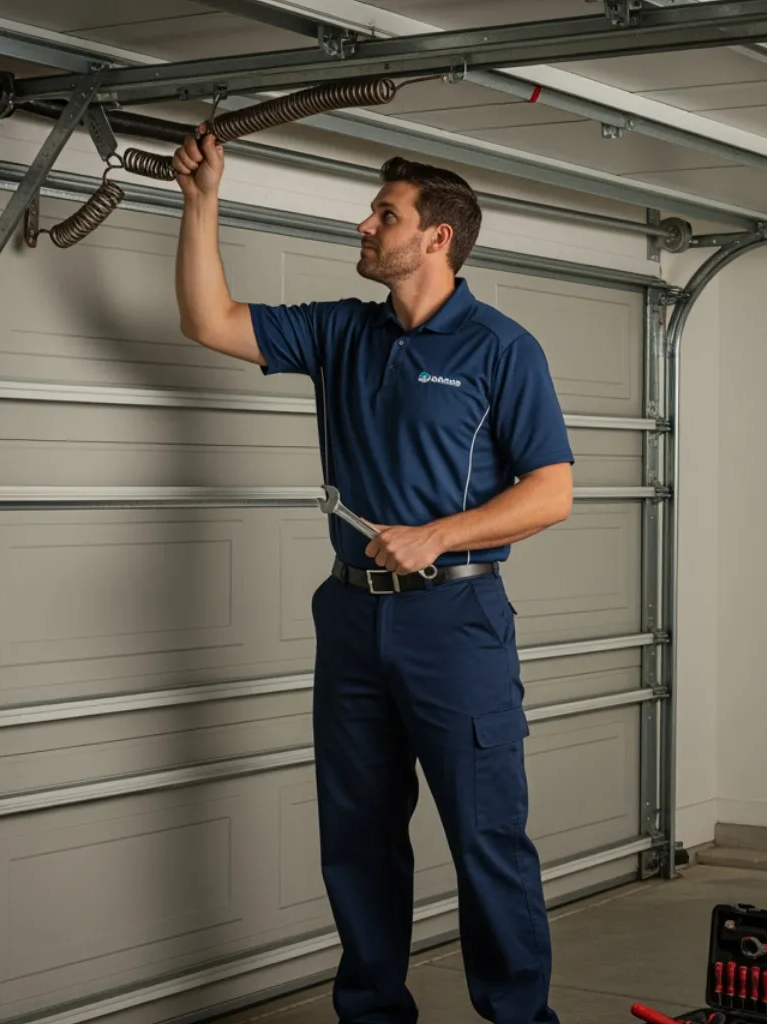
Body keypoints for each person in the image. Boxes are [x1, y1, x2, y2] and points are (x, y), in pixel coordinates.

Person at [170, 127, 573, 1024]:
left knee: (485, 841)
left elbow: (551, 492)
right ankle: (372, 1014)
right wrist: (202, 201)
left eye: (383, 214)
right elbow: (209, 320)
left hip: (456, 620)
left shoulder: (502, 349)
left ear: (437, 237)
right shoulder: (340, 332)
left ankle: (519, 1018)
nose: (364, 224)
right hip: (351, 621)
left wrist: (437, 534)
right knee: (355, 840)